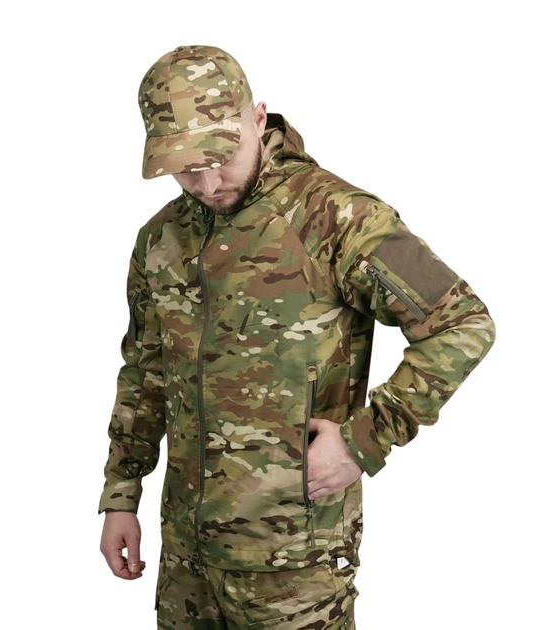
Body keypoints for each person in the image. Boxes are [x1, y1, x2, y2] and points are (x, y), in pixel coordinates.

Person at [98, 44, 496, 629]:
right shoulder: (160, 240)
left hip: (295, 564)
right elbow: (145, 372)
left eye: (220, 156)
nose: (207, 182)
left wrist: (366, 439)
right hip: (186, 559)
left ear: (258, 119)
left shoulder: (337, 218)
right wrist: (121, 492)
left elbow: (462, 322)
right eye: (185, 167)